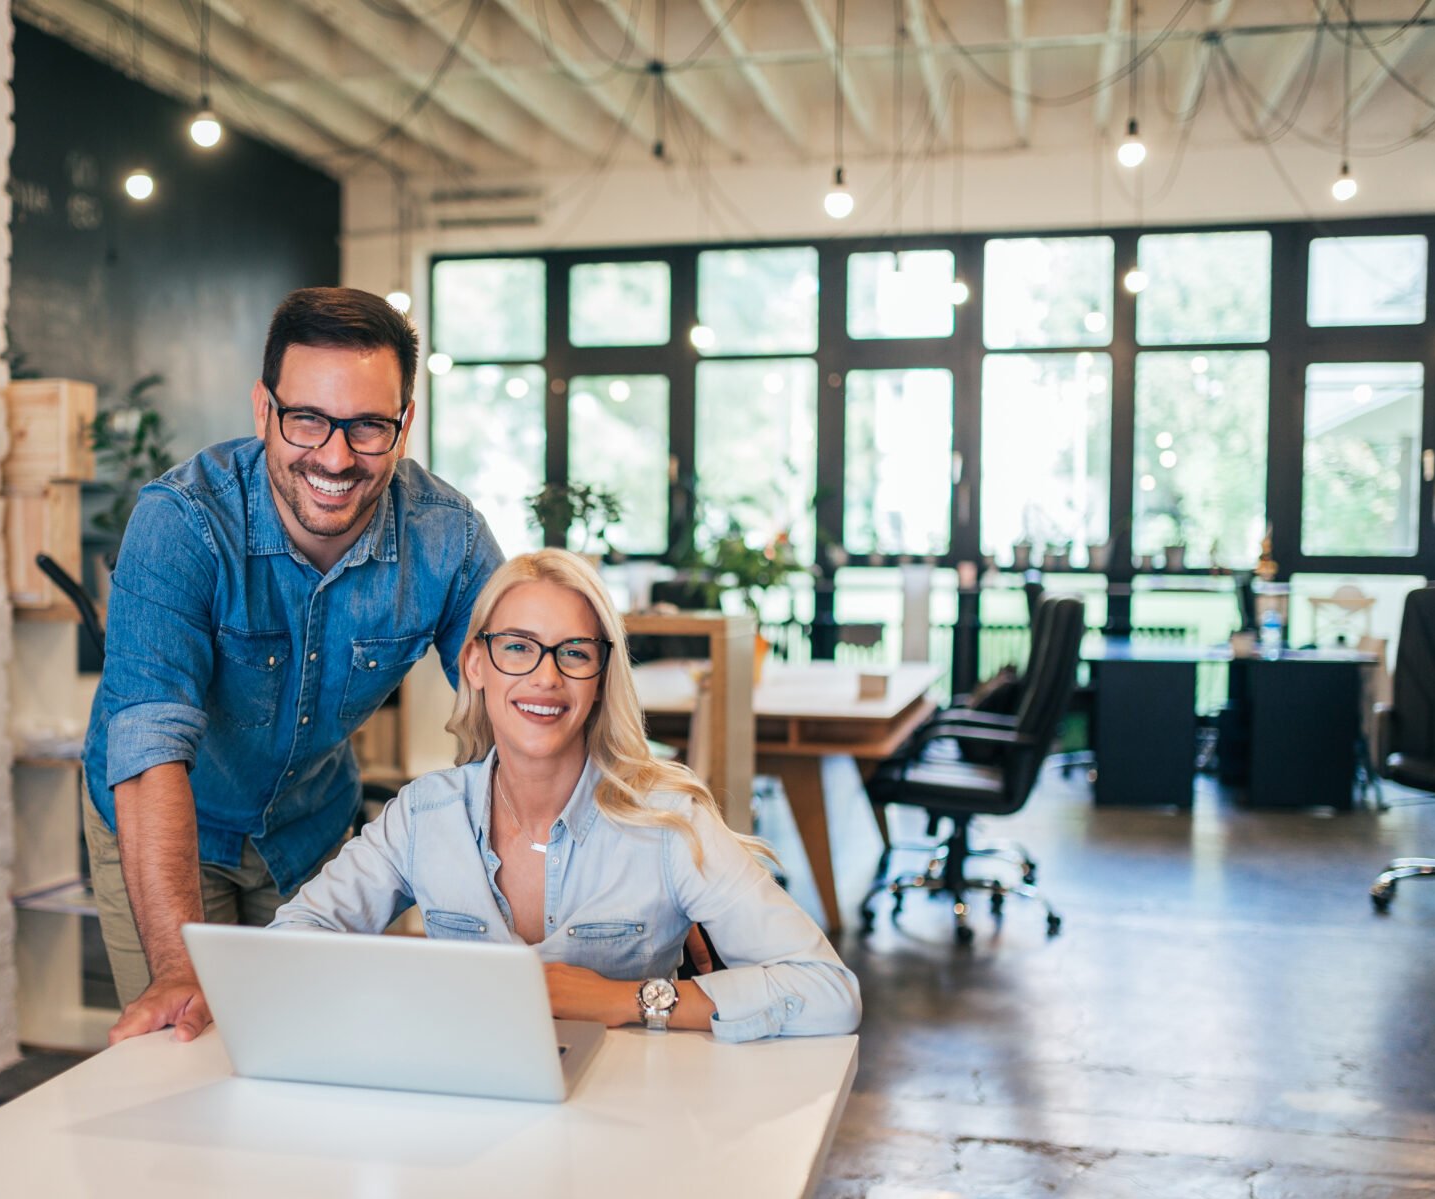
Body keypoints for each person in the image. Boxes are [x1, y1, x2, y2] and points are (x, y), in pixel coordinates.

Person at [84, 287, 504, 1045]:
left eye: (369, 426)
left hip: (311, 827)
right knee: (195, 1054)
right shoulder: (181, 523)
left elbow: (524, 703)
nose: (335, 458)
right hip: (171, 820)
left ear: (404, 425)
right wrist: (181, 968)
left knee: (319, 1052)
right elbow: (149, 753)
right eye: (306, 419)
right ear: (263, 411)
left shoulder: (447, 539)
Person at [272, 550, 862, 1041]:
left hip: (626, 1124)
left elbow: (829, 990)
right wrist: (422, 984)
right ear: (475, 664)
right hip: (468, 1121)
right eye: (518, 647)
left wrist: (626, 1000)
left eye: (574, 653)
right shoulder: (424, 816)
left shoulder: (668, 824)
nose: (546, 677)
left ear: (602, 679)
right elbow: (290, 944)